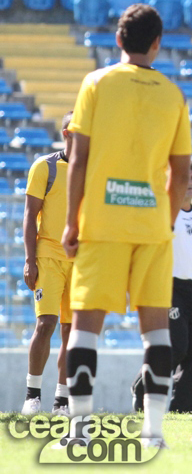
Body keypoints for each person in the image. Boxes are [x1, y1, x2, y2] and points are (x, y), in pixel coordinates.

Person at [61, 4, 191, 448]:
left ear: (118, 40)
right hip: (152, 225)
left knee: (84, 327)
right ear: (157, 44)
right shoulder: (173, 94)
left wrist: (70, 221)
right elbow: (181, 170)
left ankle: (78, 431)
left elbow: (77, 159)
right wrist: (166, 222)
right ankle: (153, 432)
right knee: (156, 330)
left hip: (102, 221)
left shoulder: (95, 84)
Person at [132, 160, 192, 413]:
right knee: (176, 346)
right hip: (170, 286)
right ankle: (142, 386)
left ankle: (183, 406)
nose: (190, 183)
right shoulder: (165, 213)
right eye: (184, 177)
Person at [21, 112, 75, 416]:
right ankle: (32, 395)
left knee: (72, 331)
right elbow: (30, 216)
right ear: (67, 135)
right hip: (49, 256)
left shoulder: (93, 171)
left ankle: (62, 400)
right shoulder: (45, 167)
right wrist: (30, 260)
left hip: (79, 261)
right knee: (46, 324)